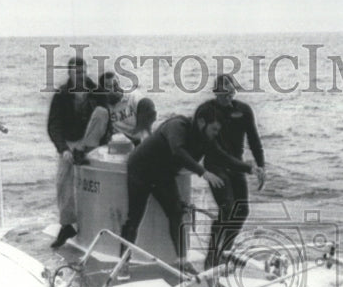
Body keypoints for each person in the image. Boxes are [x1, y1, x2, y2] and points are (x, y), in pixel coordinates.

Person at [119, 106, 255, 274]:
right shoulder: (177, 125)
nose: (215, 133)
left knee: (176, 213)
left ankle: (182, 262)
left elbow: (223, 157)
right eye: (214, 129)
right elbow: (178, 151)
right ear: (201, 122)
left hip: (163, 174)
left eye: (218, 130)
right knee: (134, 217)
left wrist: (250, 169)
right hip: (140, 169)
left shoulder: (206, 139)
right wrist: (203, 173)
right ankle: (123, 263)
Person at [195, 74, 267, 269]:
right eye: (224, 94)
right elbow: (215, 151)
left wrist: (261, 167)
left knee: (242, 210)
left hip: (236, 165)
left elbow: (254, 139)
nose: (228, 98)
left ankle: (225, 252)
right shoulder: (205, 111)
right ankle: (211, 258)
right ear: (216, 93)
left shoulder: (243, 110)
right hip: (216, 165)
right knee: (226, 208)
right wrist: (249, 168)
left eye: (232, 93)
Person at [46, 57, 97, 248]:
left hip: (91, 142)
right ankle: (67, 226)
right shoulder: (61, 94)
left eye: (83, 71)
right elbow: (53, 126)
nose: (80, 75)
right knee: (63, 184)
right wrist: (63, 149)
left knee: (91, 183)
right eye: (76, 72)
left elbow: (107, 114)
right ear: (69, 73)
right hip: (70, 142)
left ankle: (91, 223)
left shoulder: (96, 91)